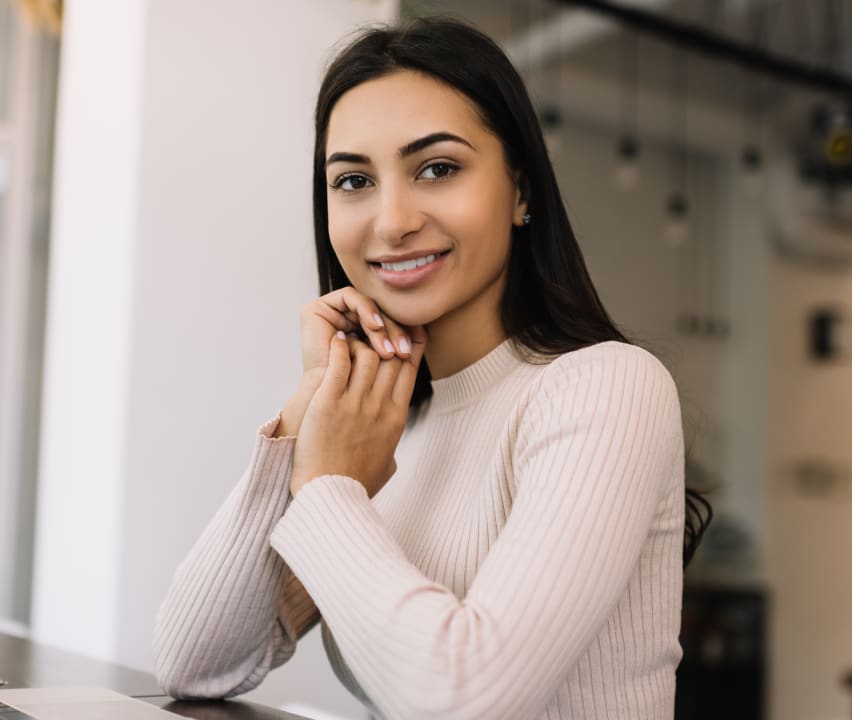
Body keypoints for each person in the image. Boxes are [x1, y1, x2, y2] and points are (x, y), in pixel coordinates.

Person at [153, 15, 710, 720]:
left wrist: (327, 486)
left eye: (438, 168)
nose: (392, 220)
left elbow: (466, 699)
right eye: (353, 180)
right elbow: (193, 661)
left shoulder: (606, 387)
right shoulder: (380, 432)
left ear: (521, 190)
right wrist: (304, 416)